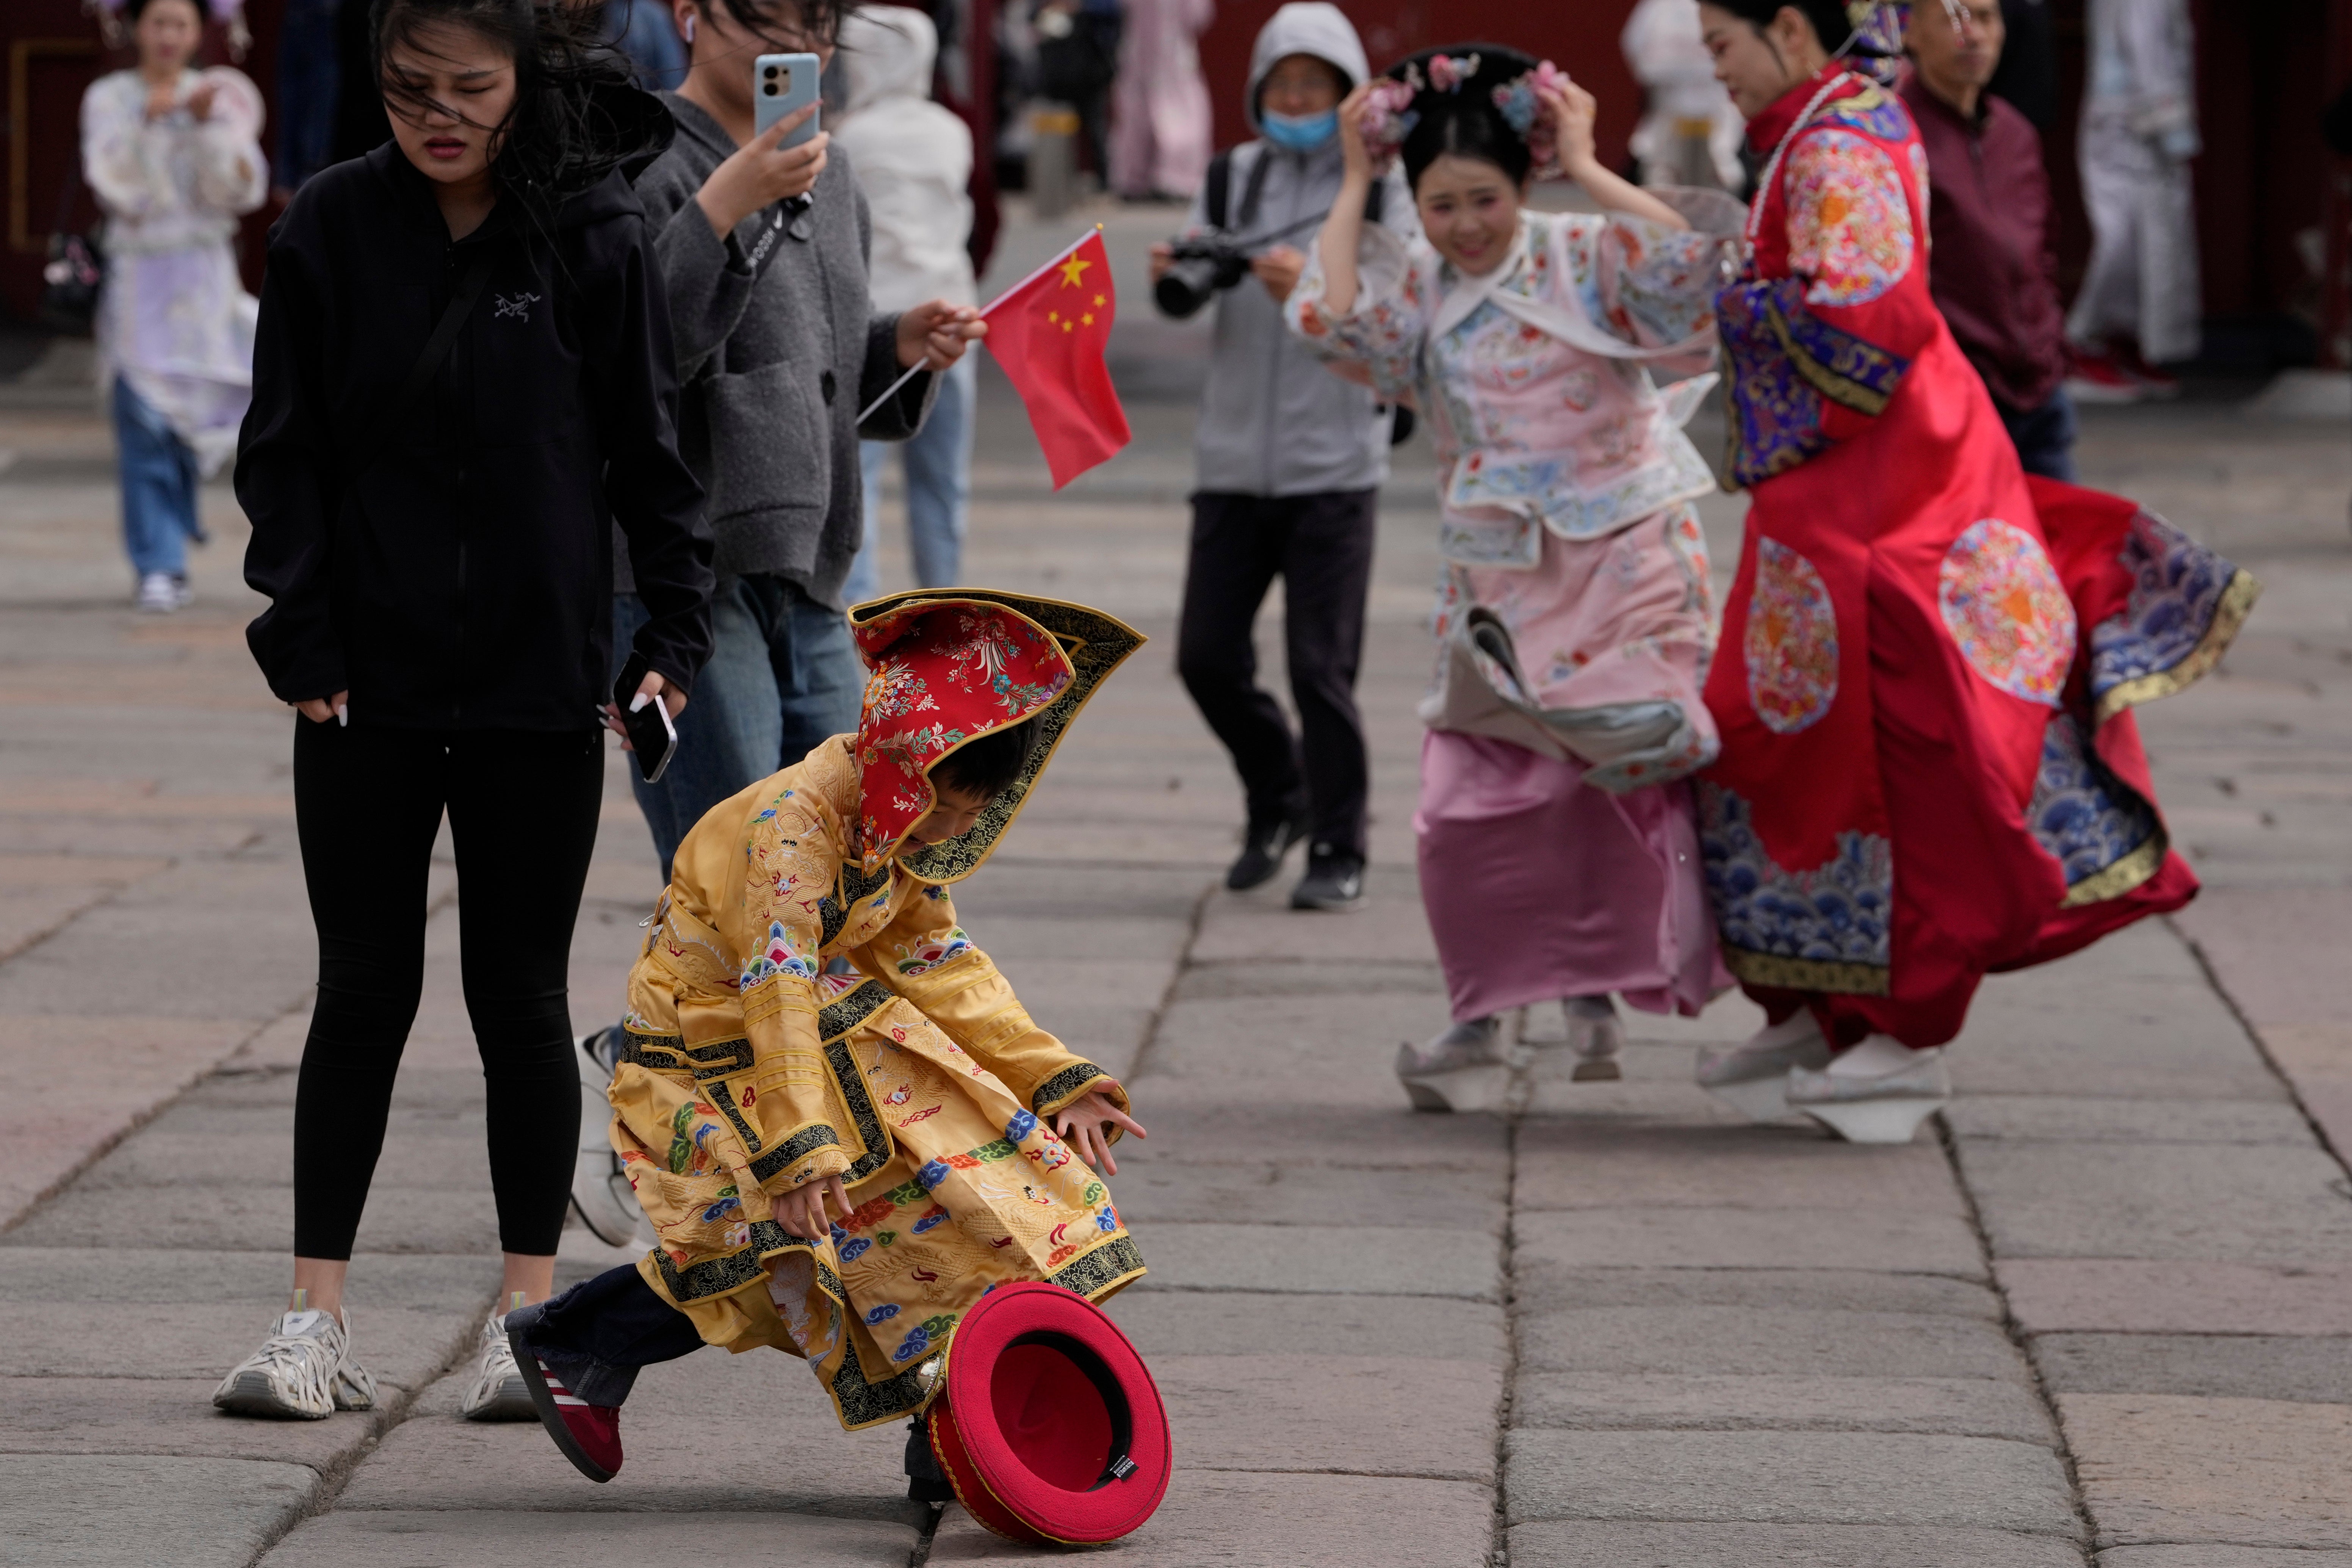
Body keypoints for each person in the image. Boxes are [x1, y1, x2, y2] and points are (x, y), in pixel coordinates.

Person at [224, 0, 715, 1420]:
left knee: (519, 995)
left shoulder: (593, 234)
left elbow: (648, 455)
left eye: (470, 89)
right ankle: (313, 1317)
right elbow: (284, 450)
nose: (438, 115)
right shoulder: (326, 227)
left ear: (524, 84)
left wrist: (666, 634)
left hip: (534, 682)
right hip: (358, 686)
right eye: (409, 88)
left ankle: (527, 1315)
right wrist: (297, 630)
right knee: (360, 992)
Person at [1691, 0, 2252, 1140]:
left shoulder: (1841, 138)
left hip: (1884, 498)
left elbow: (1863, 332)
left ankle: (1901, 1030)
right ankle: (1816, 998)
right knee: (1778, 737)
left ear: (1791, 32)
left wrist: (1733, 299)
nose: (1715, 66)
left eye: (1722, 43)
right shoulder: (1822, 128)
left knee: (1907, 764)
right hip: (1840, 499)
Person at [506, 592, 1148, 1493]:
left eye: (972, 811)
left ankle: (951, 1430)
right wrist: (799, 1149)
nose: (956, 831)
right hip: (707, 1051)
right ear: (905, 767)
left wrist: (1055, 1079)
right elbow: (775, 990)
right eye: (948, 806)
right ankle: (579, 1339)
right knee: (786, 1243)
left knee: (969, 1197)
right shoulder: (788, 830)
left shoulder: (889, 820)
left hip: (819, 1036)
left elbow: (938, 957)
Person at [571, 0, 987, 1250]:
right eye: (762, 14)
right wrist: (727, 204)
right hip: (679, 580)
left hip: (808, 568)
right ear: (692, 17)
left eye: (812, 18)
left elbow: (805, 371)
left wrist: (894, 348)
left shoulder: (835, 164)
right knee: (741, 885)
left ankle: (734, 1129)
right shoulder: (641, 157)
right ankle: (655, 1119)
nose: (790, 38)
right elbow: (633, 355)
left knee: (840, 883)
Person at [1290, 45, 1740, 1104]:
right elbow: (1328, 318)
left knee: (1607, 784)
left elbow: (1691, 271)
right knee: (1463, 806)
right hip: (1495, 582)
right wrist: (1357, 180)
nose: (1463, 227)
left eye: (1482, 199)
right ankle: (1482, 1010)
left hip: (1623, 558)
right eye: (1438, 205)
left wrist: (1587, 165)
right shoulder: (1424, 294)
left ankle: (1577, 991)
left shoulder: (1585, 250)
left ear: (1522, 182)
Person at [1153, 2, 1412, 912]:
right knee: (1204, 657)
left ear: (1350, 97)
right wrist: (1180, 267)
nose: (1296, 97)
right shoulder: (1230, 178)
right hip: (1230, 457)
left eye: (1316, 83)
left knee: (1319, 670)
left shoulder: (1379, 188)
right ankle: (1280, 796)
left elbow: (1396, 314)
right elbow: (1190, 276)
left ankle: (1339, 845)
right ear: (1258, 89)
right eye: (1282, 82)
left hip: (1334, 463)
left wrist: (1305, 286)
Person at [81, 0, 267, 614]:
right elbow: (117, 188)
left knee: (192, 416)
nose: (167, 36)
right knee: (141, 414)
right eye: (157, 22)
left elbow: (241, 189)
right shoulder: (109, 99)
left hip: (202, 277)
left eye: (180, 24)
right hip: (140, 276)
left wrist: (212, 127)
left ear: (198, 31)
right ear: (136, 27)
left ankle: (175, 529)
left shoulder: (222, 95)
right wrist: (147, 123)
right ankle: (157, 560)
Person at [836, 6, 980, 603]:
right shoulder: (952, 130)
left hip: (876, 328)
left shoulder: (848, 138)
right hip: (953, 318)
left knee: (860, 484)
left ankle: (858, 609)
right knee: (942, 481)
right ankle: (944, 603)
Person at [1901, 0, 2076, 479]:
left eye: (1985, 18)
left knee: (2059, 544)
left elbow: (2040, 252)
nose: (1973, 36)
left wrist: (2050, 345)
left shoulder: (2015, 132)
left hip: (2038, 386)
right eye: (1956, 20)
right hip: (1953, 392)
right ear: (1910, 31)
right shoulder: (1895, 133)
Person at [2063, 0, 2200, 402]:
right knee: (2121, 239)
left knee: (2153, 245)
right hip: (2131, 122)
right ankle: (2083, 342)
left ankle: (2126, 342)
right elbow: (2147, 50)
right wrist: (2172, 126)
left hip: (2136, 120)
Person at [1622, 0, 1744, 190]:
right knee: (1663, 175)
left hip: (1720, 109)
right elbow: (1636, 48)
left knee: (1723, 170)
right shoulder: (1658, 7)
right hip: (1671, 106)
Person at [1109, 0, 1213, 199]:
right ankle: (1151, 178)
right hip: (1152, 54)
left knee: (1168, 112)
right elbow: (1198, 17)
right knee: (1146, 113)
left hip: (1166, 53)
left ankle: (1171, 178)